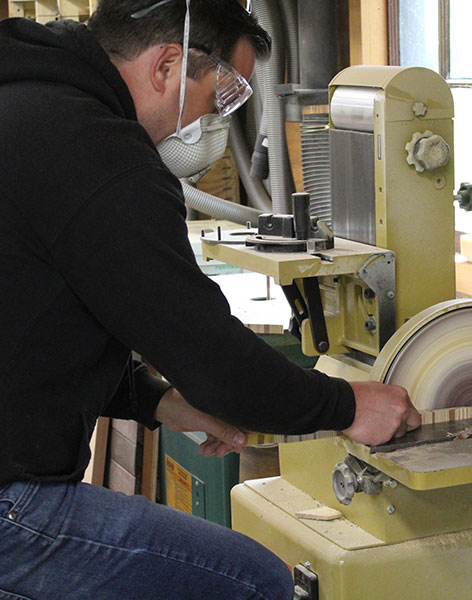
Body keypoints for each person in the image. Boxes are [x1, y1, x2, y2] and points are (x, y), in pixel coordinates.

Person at [0, 0, 421, 598]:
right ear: (167, 66)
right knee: (255, 582)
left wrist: (159, 401)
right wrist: (349, 406)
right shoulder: (99, 154)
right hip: (11, 510)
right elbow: (216, 362)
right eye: (221, 97)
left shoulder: (25, 103)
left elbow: (32, 328)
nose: (212, 124)